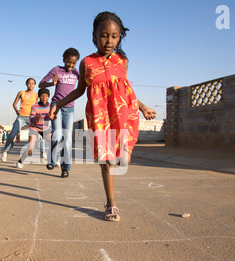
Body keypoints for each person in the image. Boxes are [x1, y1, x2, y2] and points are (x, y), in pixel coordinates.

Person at [49, 11, 157, 222]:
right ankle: (111, 203)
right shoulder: (87, 62)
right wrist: (58, 103)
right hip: (99, 115)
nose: (109, 41)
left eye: (114, 36)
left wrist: (142, 107)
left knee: (120, 159)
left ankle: (111, 196)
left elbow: (126, 89)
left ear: (119, 37)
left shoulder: (122, 61)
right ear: (94, 36)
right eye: (104, 35)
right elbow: (79, 90)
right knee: (106, 158)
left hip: (122, 113)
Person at [40, 48, 80, 178]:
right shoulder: (57, 69)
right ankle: (51, 161)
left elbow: (85, 84)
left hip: (69, 108)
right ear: (64, 60)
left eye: (73, 63)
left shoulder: (76, 72)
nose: (71, 65)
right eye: (69, 62)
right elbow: (41, 84)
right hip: (56, 106)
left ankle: (65, 167)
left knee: (67, 139)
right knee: (57, 135)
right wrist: (52, 83)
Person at [1, 78, 38, 162]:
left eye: (32, 84)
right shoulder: (21, 93)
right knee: (11, 135)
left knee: (36, 135)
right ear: (26, 84)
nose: (30, 85)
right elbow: (14, 103)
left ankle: (39, 152)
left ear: (34, 85)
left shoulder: (36, 95)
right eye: (29, 83)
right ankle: (5, 152)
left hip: (31, 117)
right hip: (21, 117)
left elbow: (36, 106)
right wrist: (17, 111)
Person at [16, 88, 52, 168]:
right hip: (35, 128)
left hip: (45, 128)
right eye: (42, 96)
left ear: (48, 97)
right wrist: (37, 118)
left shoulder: (50, 106)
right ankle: (20, 161)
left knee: (55, 144)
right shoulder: (35, 106)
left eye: (46, 96)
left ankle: (55, 161)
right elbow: (31, 120)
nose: (44, 98)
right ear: (39, 97)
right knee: (30, 149)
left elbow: (53, 116)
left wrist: (51, 117)